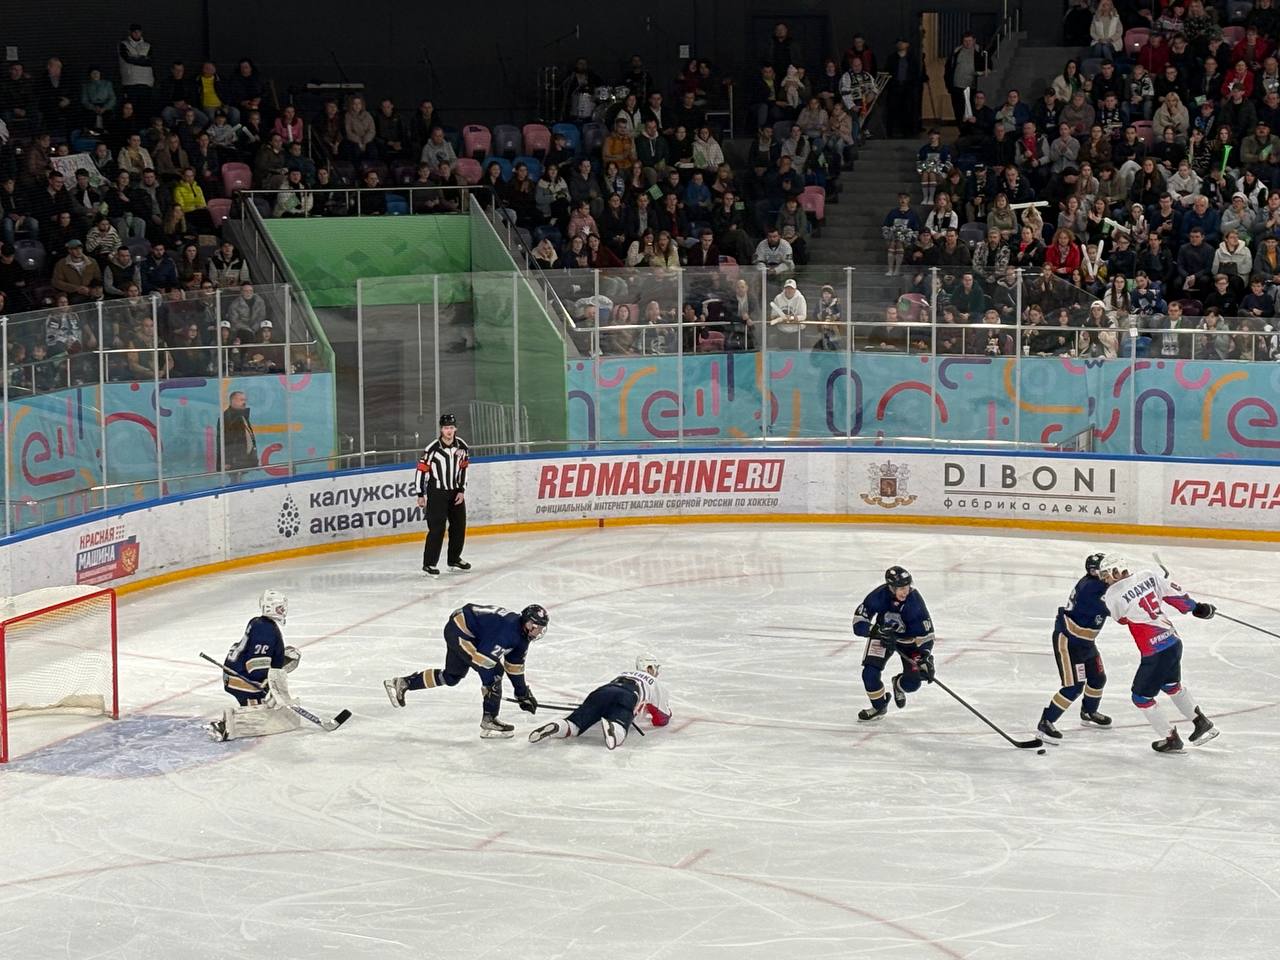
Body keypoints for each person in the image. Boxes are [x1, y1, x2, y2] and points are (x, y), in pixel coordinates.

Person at [1096, 555, 1219, 753]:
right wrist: (1199, 608)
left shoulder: (1112, 594)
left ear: (1116, 571)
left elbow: (1121, 619)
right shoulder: (1148, 575)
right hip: (1173, 642)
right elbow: (1177, 596)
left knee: (1141, 697)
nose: (1104, 579)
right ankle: (1201, 722)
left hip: (1155, 652)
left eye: (1106, 575)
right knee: (1171, 685)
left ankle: (1171, 738)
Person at [383, 602, 550, 739]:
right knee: (494, 673)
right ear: (527, 623)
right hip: (461, 631)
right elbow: (484, 662)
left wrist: (522, 693)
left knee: (452, 677)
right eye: (536, 627)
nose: (538, 632)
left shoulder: (521, 635)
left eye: (541, 629)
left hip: (468, 630)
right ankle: (489, 720)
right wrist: (491, 689)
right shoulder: (508, 632)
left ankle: (402, 683)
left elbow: (514, 667)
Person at [205, 590, 303, 741]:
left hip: (238, 673)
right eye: (279, 607)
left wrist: (280, 661)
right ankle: (224, 727)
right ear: (269, 608)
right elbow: (255, 666)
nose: (283, 610)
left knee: (268, 705)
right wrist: (269, 687)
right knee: (259, 714)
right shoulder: (265, 629)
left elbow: (262, 658)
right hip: (241, 679)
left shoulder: (260, 623)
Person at [1036, 554, 1114, 742]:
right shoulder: (1092, 589)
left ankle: (1089, 711)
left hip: (1085, 642)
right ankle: (1046, 722)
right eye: (1106, 569)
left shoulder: (1101, 584)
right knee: (1073, 687)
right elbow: (1116, 608)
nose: (1110, 572)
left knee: (1097, 678)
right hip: (1069, 642)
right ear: (1095, 572)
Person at [529, 653, 672, 749]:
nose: (656, 672)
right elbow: (661, 719)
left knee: (573, 724)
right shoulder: (654, 682)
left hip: (602, 691)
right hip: (628, 695)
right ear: (648, 667)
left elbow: (611, 696)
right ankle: (614, 726)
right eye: (655, 668)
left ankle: (559, 726)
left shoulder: (624, 673)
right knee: (619, 730)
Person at [853, 566, 936, 721]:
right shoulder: (879, 596)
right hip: (882, 637)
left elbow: (927, 635)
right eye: (901, 588)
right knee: (869, 674)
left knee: (913, 683)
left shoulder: (914, 602)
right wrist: (876, 631)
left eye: (907, 587)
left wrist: (924, 657)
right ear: (891, 587)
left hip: (909, 643)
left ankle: (898, 684)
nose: (905, 591)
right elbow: (858, 622)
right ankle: (879, 706)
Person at [414, 413, 470, 577]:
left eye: (451, 428)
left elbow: (464, 469)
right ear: (441, 429)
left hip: (455, 493)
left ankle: (454, 558)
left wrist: (462, 490)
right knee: (437, 529)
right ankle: (429, 564)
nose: (449, 431)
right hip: (437, 493)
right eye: (446, 428)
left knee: (459, 526)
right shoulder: (432, 449)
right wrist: (420, 493)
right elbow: (421, 471)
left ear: (455, 429)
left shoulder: (462, 447)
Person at [219, 389, 258, 476]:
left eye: (245, 400)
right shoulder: (227, 417)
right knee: (235, 481)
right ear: (233, 401)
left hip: (244, 459)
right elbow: (225, 440)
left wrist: (254, 459)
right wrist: (227, 461)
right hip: (235, 461)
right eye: (241, 400)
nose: (244, 402)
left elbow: (249, 437)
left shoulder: (242, 415)